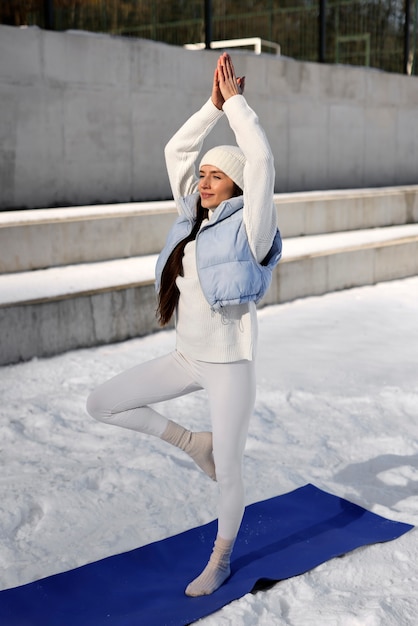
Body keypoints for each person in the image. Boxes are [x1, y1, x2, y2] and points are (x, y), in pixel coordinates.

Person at [86, 52, 282, 597]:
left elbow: (261, 162)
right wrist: (212, 106)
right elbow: (176, 150)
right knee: (101, 402)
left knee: (232, 469)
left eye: (216, 175)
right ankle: (195, 443)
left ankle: (219, 558)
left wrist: (237, 106)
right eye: (203, 175)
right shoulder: (189, 220)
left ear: (237, 186)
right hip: (186, 355)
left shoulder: (253, 228)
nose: (204, 181)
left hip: (229, 366)